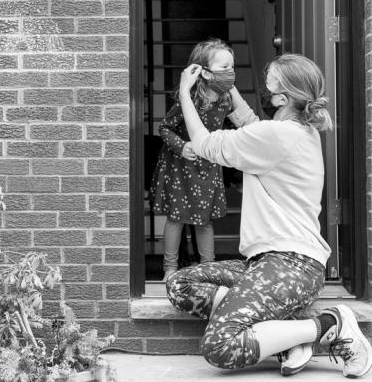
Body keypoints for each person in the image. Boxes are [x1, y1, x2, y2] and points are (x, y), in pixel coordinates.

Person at [166, 53, 371, 378]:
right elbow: (251, 125)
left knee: (220, 345)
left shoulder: (277, 136)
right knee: (181, 284)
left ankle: (329, 324)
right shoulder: (295, 130)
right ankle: (284, 335)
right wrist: (226, 86)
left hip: (292, 265)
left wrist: (183, 91)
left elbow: (204, 143)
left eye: (270, 82)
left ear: (283, 96)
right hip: (267, 263)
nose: (263, 87)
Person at [150, 38, 236, 281]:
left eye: (232, 67)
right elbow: (165, 128)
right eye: (224, 67)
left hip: (207, 166)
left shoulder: (226, 99)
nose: (230, 72)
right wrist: (182, 146)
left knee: (204, 219)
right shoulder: (191, 98)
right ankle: (169, 269)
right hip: (181, 166)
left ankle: (208, 267)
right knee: (176, 218)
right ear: (205, 73)